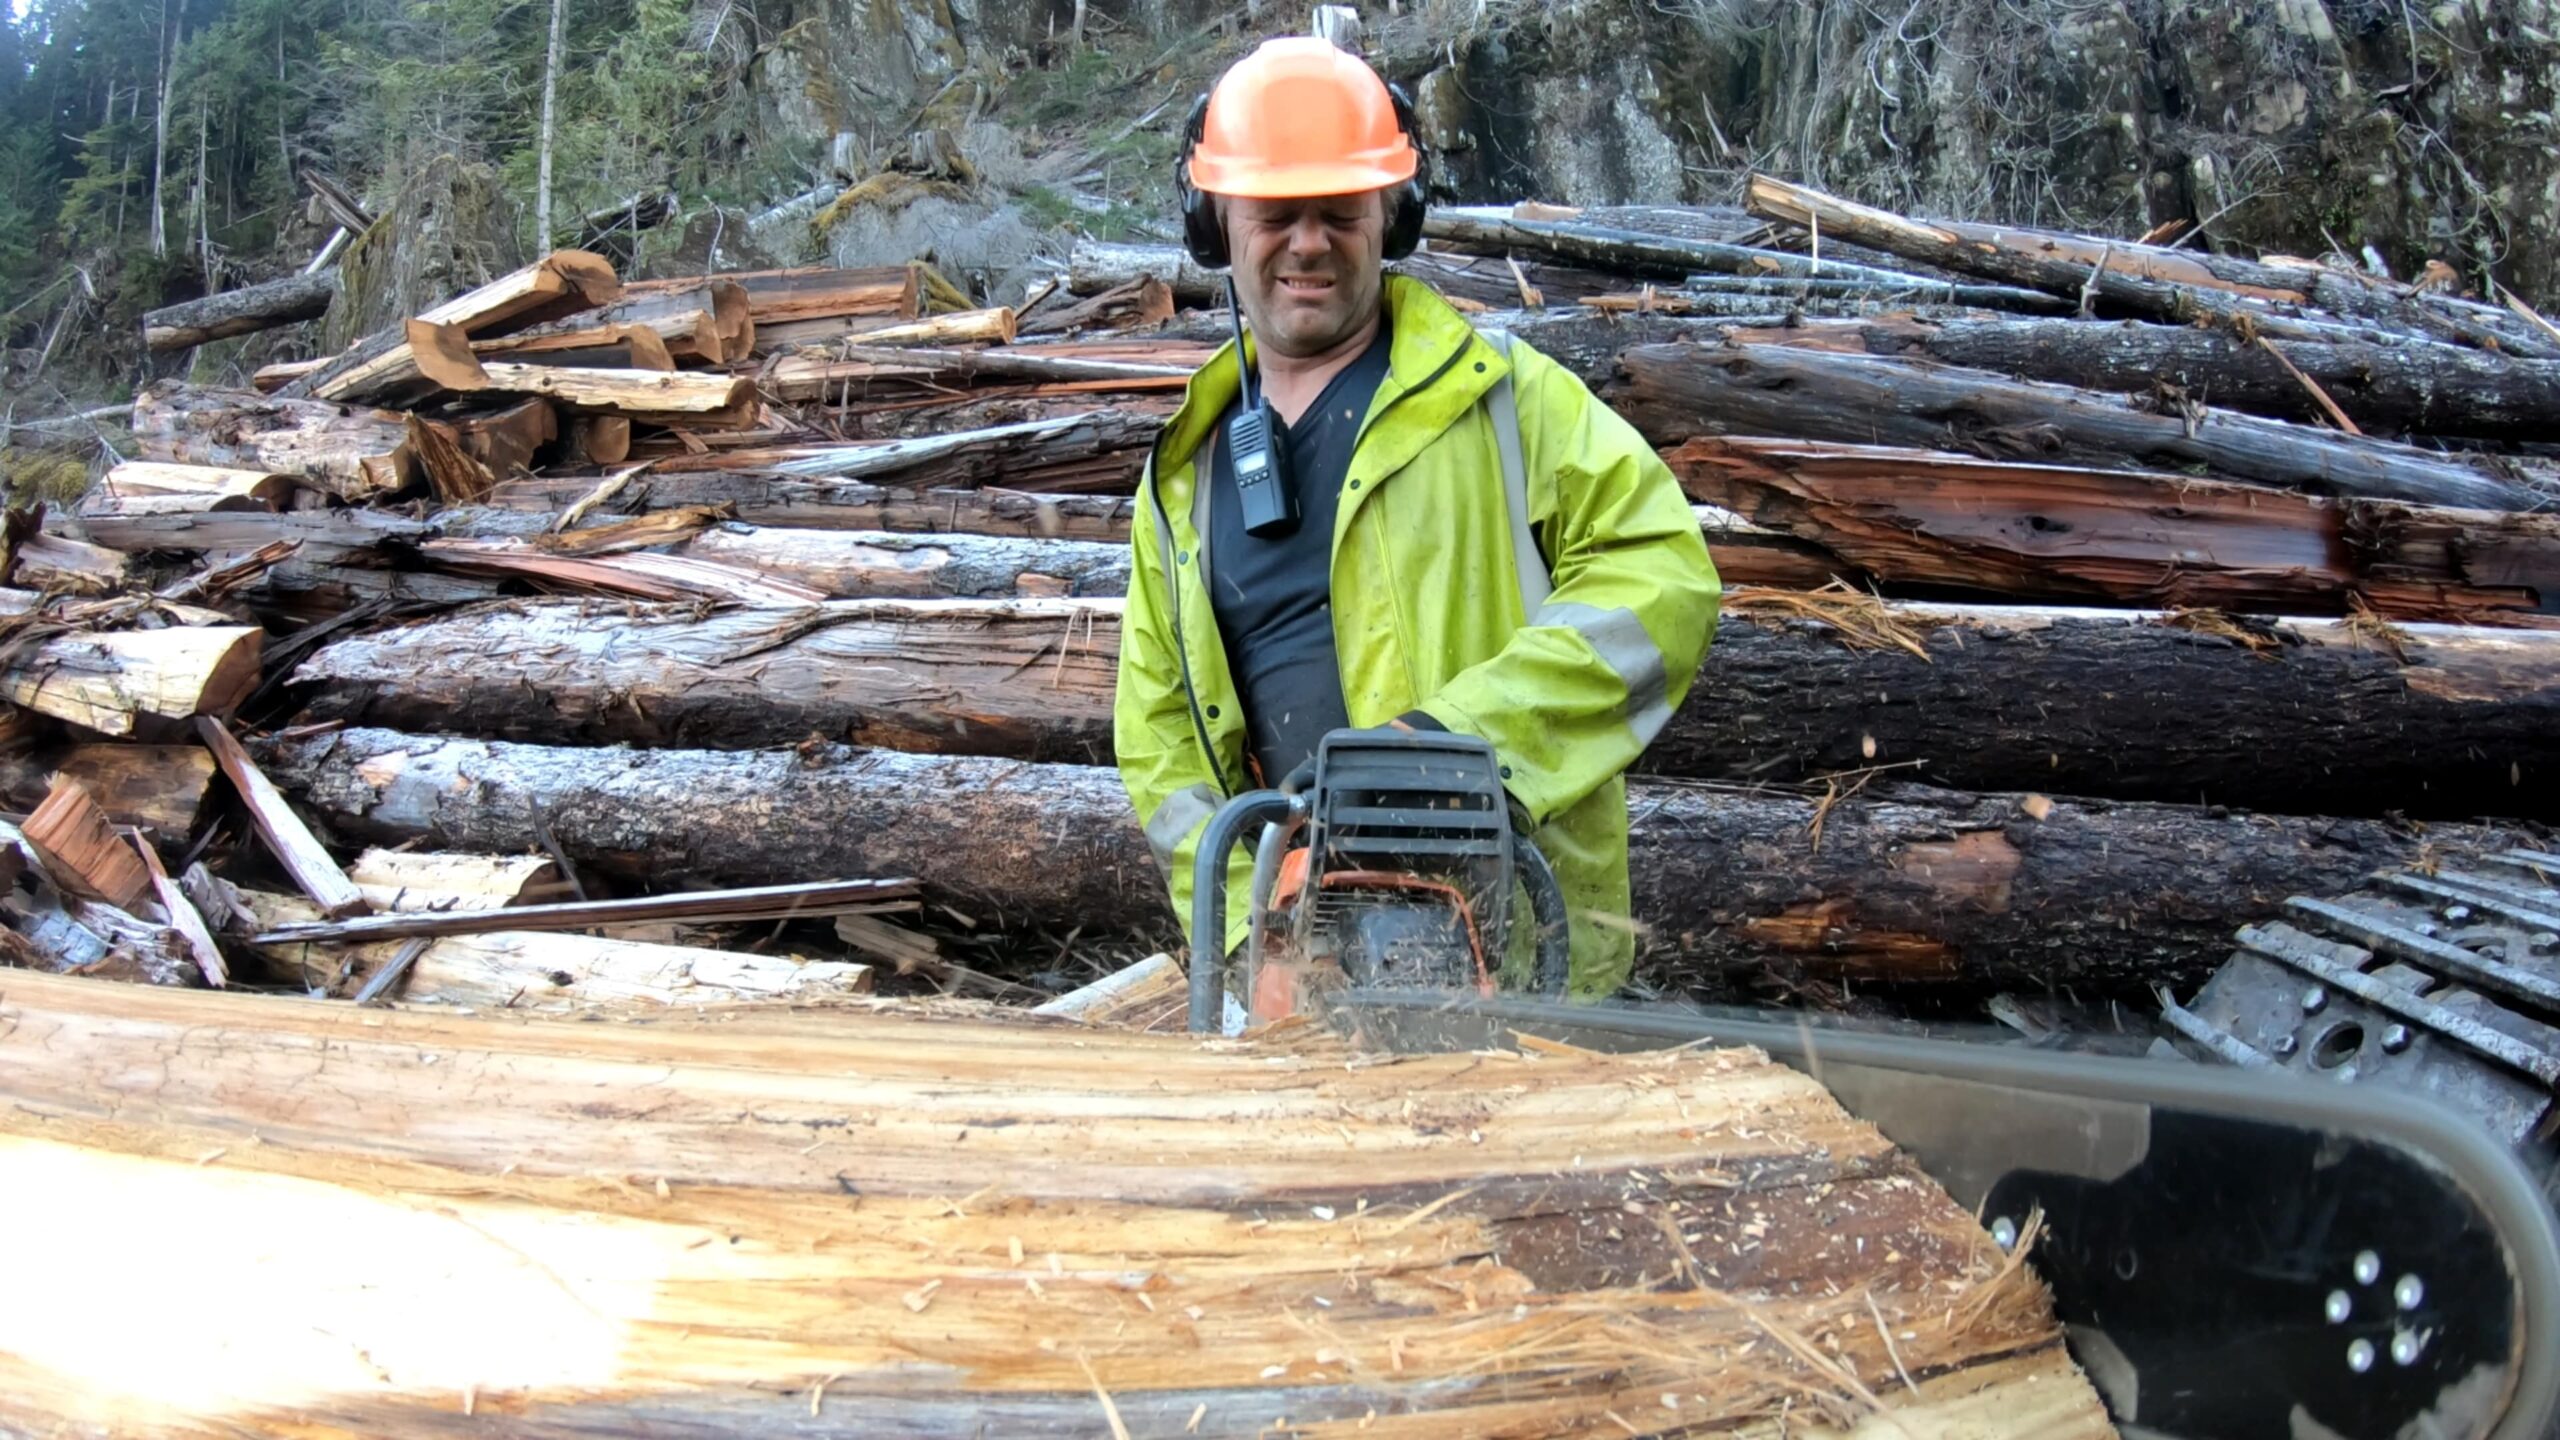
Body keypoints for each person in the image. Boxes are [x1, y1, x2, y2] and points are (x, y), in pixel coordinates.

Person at [1112, 36, 1720, 999]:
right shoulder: (1183, 479)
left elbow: (1665, 582)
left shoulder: (1509, 404)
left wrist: (1451, 747)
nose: (1308, 241)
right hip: (1306, 974)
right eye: (1276, 211)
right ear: (1212, 219)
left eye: (1340, 211)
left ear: (1393, 217)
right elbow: (1160, 752)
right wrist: (1247, 925)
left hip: (1521, 961)